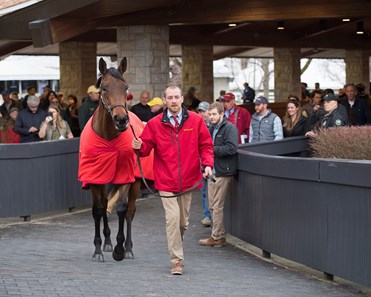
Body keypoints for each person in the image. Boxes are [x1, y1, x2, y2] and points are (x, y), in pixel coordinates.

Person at [132, 84, 214, 276]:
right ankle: (177, 261)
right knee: (172, 220)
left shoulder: (195, 120)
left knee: (183, 223)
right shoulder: (154, 123)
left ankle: (176, 244)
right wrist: (138, 146)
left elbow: (206, 145)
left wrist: (208, 164)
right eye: (170, 98)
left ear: (182, 99)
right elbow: (145, 149)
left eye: (177, 97)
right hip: (166, 182)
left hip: (188, 180)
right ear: (165, 100)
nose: (174, 101)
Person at [199, 102, 238, 247]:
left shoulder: (230, 128)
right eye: (210, 114)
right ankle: (218, 235)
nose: (211, 117)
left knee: (217, 206)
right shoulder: (211, 128)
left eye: (214, 114)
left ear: (222, 114)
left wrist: (212, 149)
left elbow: (232, 148)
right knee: (212, 206)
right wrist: (205, 168)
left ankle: (217, 236)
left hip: (224, 171)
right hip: (212, 172)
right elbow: (204, 148)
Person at [197, 101, 211, 227]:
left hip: (211, 163)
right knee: (204, 191)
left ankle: (210, 216)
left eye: (204, 111)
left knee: (211, 191)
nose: (202, 114)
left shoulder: (213, 125)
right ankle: (206, 214)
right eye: (200, 111)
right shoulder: (198, 125)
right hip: (201, 163)